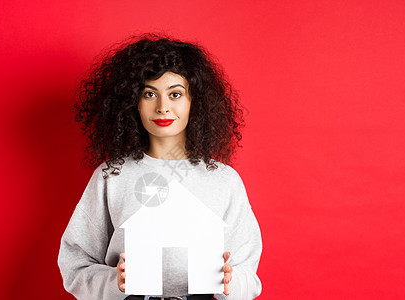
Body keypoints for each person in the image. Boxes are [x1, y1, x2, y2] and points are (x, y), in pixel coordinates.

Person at [58, 34, 262, 300]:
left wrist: (230, 282)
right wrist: (114, 281)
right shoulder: (113, 176)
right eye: (149, 94)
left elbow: (247, 270)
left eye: (175, 94)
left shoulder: (224, 180)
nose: (163, 107)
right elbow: (76, 263)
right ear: (134, 102)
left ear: (194, 101)